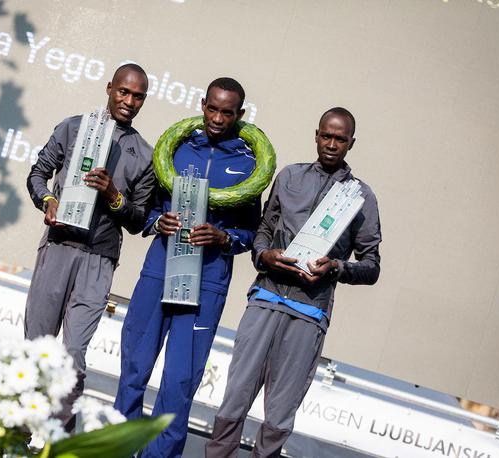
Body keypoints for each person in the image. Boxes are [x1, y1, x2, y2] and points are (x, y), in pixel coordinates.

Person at [206, 107, 382, 457]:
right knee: (233, 400)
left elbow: (372, 266)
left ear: (351, 143)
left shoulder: (360, 197)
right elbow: (263, 232)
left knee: (279, 416)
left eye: (340, 139)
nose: (332, 144)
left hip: (308, 313)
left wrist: (335, 267)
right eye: (326, 136)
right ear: (316, 135)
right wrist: (265, 256)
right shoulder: (289, 177)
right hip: (265, 298)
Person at [114, 78, 262, 457]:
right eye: (211, 108)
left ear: (239, 115)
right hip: (159, 270)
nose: (216, 118)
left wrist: (224, 237)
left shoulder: (249, 164)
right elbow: (145, 207)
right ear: (202, 104)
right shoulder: (176, 149)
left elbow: (251, 232)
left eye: (226, 112)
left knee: (179, 382)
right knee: (134, 369)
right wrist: (155, 221)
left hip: (207, 283)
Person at [25, 64, 156, 429]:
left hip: (99, 258)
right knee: (37, 347)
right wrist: (48, 200)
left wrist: (114, 195)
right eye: (123, 92)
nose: (129, 101)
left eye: (138, 96)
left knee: (73, 355)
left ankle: (58, 439)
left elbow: (139, 219)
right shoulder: (72, 127)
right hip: (59, 245)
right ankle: (15, 432)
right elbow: (37, 173)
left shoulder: (143, 154)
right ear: (109, 88)